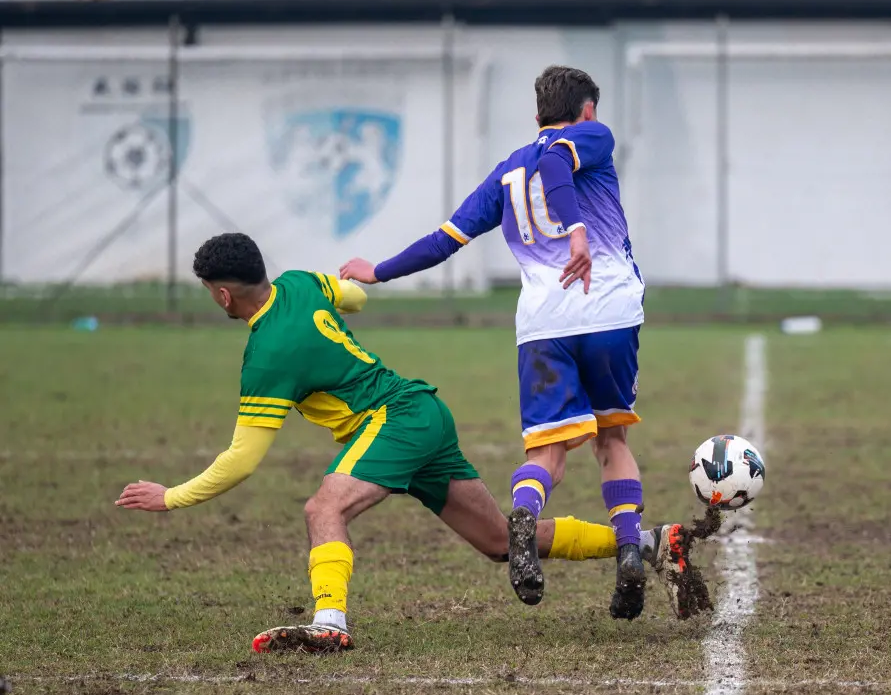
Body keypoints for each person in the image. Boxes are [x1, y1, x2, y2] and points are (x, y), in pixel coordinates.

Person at [115, 233, 692, 653]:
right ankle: (648, 542)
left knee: (325, 507)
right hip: (423, 412)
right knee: (497, 542)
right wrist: (341, 292)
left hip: (393, 420)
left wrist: (170, 497)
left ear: (221, 296)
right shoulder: (298, 284)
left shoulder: (265, 356)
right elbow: (355, 298)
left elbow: (242, 458)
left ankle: (331, 621)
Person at [341, 65, 671, 621]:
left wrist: (380, 271)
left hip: (544, 323)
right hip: (608, 307)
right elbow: (554, 160)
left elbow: (445, 240)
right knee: (611, 440)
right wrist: (577, 230)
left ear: (536, 114)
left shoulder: (505, 172)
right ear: (587, 110)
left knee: (546, 452)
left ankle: (524, 513)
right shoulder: (593, 135)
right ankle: (630, 548)